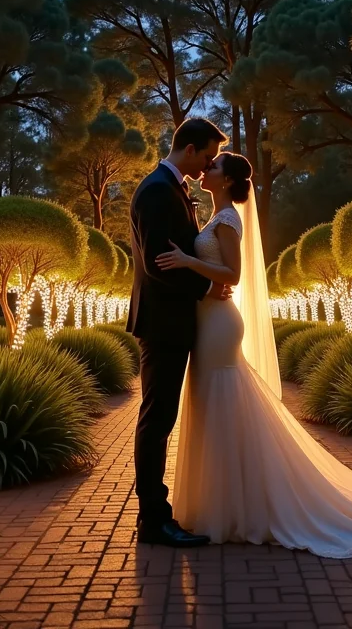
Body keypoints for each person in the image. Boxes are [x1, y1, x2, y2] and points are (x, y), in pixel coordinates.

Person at [152, 149, 352, 557]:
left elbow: (233, 274)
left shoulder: (229, 219)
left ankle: (233, 511)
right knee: (211, 405)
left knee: (220, 401)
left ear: (230, 181)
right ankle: (223, 505)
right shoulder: (213, 217)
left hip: (219, 324)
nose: (207, 169)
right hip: (207, 321)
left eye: (215, 167)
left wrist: (185, 261)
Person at [126, 118, 231, 547]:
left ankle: (157, 514)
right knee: (157, 419)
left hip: (176, 321)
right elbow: (156, 264)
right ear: (188, 149)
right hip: (163, 323)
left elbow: (178, 255)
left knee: (161, 417)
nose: (207, 165)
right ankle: (153, 519)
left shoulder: (172, 189)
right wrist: (206, 284)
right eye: (206, 156)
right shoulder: (156, 191)